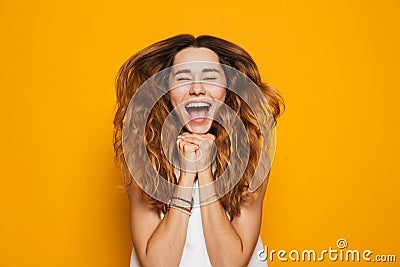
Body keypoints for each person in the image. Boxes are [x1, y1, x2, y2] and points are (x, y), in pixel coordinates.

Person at [113, 34, 284, 267]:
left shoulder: (253, 160)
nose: (196, 89)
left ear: (228, 89)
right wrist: (187, 174)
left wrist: (204, 171)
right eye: (183, 78)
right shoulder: (144, 158)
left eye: (210, 77)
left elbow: (230, 264)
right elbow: (157, 264)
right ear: (166, 91)